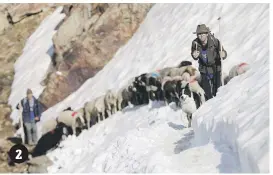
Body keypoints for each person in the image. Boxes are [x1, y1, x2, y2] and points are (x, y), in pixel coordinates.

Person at [191, 24, 227, 100]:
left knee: (217, 90)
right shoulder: (195, 44)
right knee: (207, 92)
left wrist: (223, 54)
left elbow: (223, 52)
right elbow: (194, 55)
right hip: (204, 69)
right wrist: (194, 56)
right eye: (199, 34)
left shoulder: (215, 41)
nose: (201, 36)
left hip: (215, 67)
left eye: (203, 33)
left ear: (207, 34)